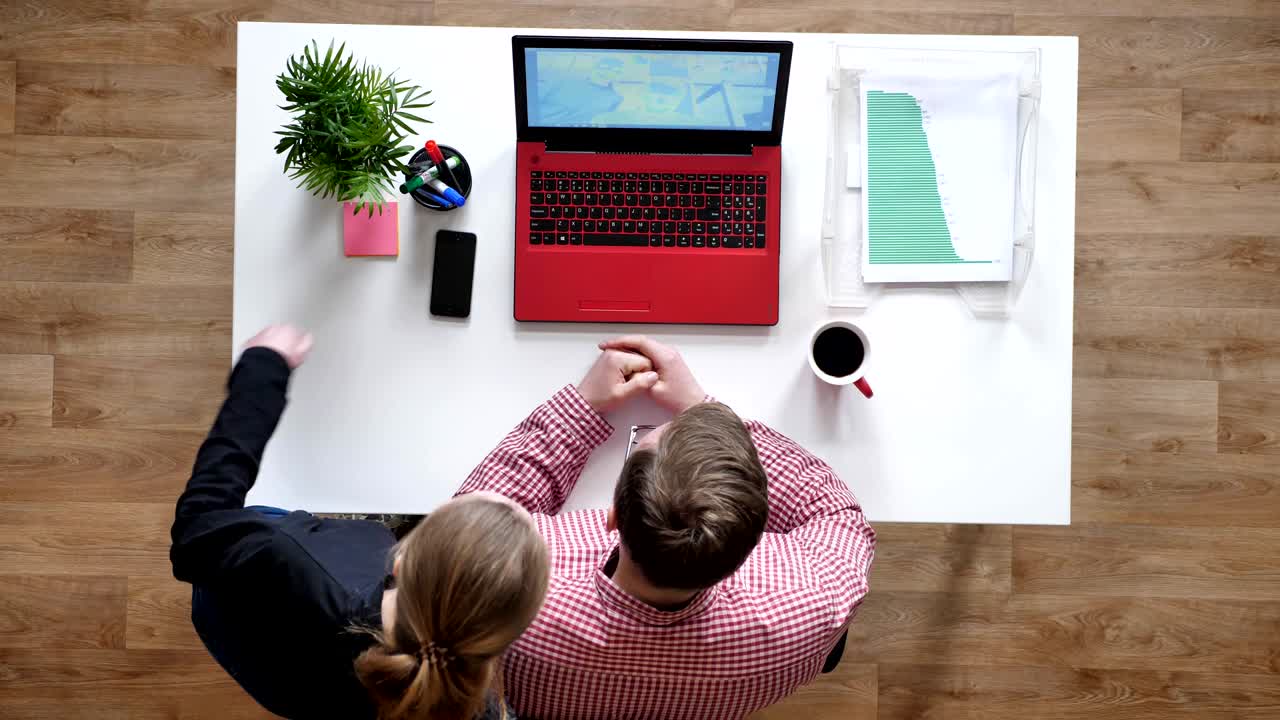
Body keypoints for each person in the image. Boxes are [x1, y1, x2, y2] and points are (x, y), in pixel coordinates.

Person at [456, 336, 877, 720]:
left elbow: (462, 527)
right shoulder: (810, 609)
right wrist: (702, 409)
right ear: (752, 547)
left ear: (613, 517)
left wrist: (581, 408)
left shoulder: (506, 603)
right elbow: (837, 512)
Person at [170, 325, 549, 720]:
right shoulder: (473, 707)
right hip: (292, 691)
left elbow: (197, 530)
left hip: (238, 620)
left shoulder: (291, 558)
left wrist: (262, 371)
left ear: (400, 560)